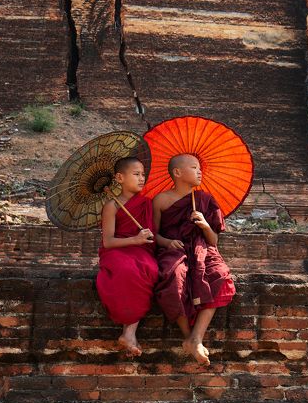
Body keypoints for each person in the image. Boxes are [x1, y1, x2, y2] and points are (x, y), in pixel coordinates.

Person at [153, 154, 236, 365]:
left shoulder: (204, 200)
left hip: (202, 248)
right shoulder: (161, 200)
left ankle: (196, 338)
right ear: (177, 172)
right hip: (174, 250)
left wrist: (204, 224)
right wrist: (168, 242)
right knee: (175, 277)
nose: (200, 171)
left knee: (219, 274)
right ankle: (187, 334)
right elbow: (154, 235)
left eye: (200, 168)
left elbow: (213, 240)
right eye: (194, 167)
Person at [96, 156, 157, 356]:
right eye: (136, 174)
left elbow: (154, 234)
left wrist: (144, 239)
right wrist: (135, 239)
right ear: (120, 178)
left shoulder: (147, 203)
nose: (142, 178)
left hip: (141, 251)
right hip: (117, 251)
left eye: (143, 174)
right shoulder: (111, 206)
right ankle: (129, 334)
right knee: (127, 270)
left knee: (150, 269)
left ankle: (129, 332)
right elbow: (108, 242)